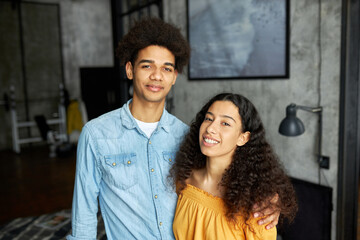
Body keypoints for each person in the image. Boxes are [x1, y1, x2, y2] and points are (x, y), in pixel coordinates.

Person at [67, 18, 280, 240]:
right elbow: (84, 215)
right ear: (130, 70)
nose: (157, 76)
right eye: (147, 65)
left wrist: (269, 199)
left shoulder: (188, 137)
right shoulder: (96, 134)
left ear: (174, 77)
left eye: (166, 68)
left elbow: (228, 174)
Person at [169, 93, 298, 240]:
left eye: (225, 123)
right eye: (208, 118)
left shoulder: (256, 204)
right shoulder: (184, 179)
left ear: (243, 138)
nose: (210, 128)